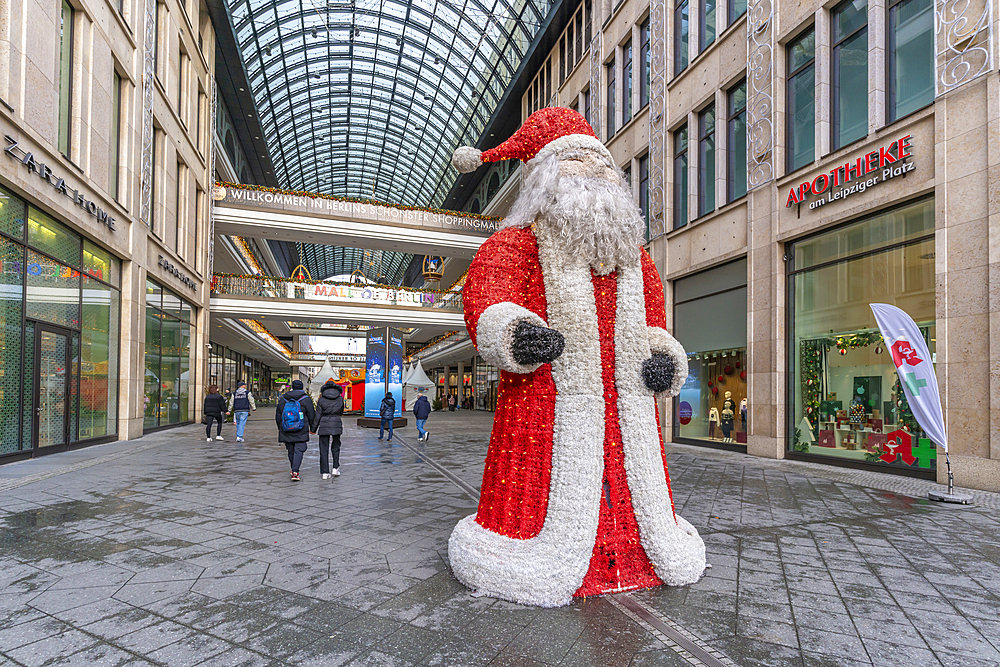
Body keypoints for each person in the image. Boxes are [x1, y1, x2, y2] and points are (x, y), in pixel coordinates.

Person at [447, 107, 705, 607]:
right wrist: (518, 335)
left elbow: (655, 324)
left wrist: (663, 360)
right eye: (577, 162)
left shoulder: (638, 261)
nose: (595, 171)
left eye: (601, 163)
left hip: (628, 414)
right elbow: (486, 297)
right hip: (545, 409)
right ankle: (536, 553)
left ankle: (643, 552)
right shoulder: (515, 245)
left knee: (635, 489)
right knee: (542, 489)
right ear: (545, 179)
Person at [275, 380, 317, 481]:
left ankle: (293, 468)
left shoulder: (283, 398)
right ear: (302, 387)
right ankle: (295, 471)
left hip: (286, 428)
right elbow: (311, 415)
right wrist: (313, 428)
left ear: (292, 387)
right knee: (299, 449)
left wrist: (280, 427)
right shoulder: (306, 399)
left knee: (291, 450)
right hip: (301, 428)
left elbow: (278, 415)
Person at [316, 381, 344, 479]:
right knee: (336, 446)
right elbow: (341, 412)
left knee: (323, 448)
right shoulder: (340, 398)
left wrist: (313, 428)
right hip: (336, 423)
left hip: (324, 423)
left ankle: (325, 472)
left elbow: (318, 415)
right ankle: (335, 468)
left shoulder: (321, 399)